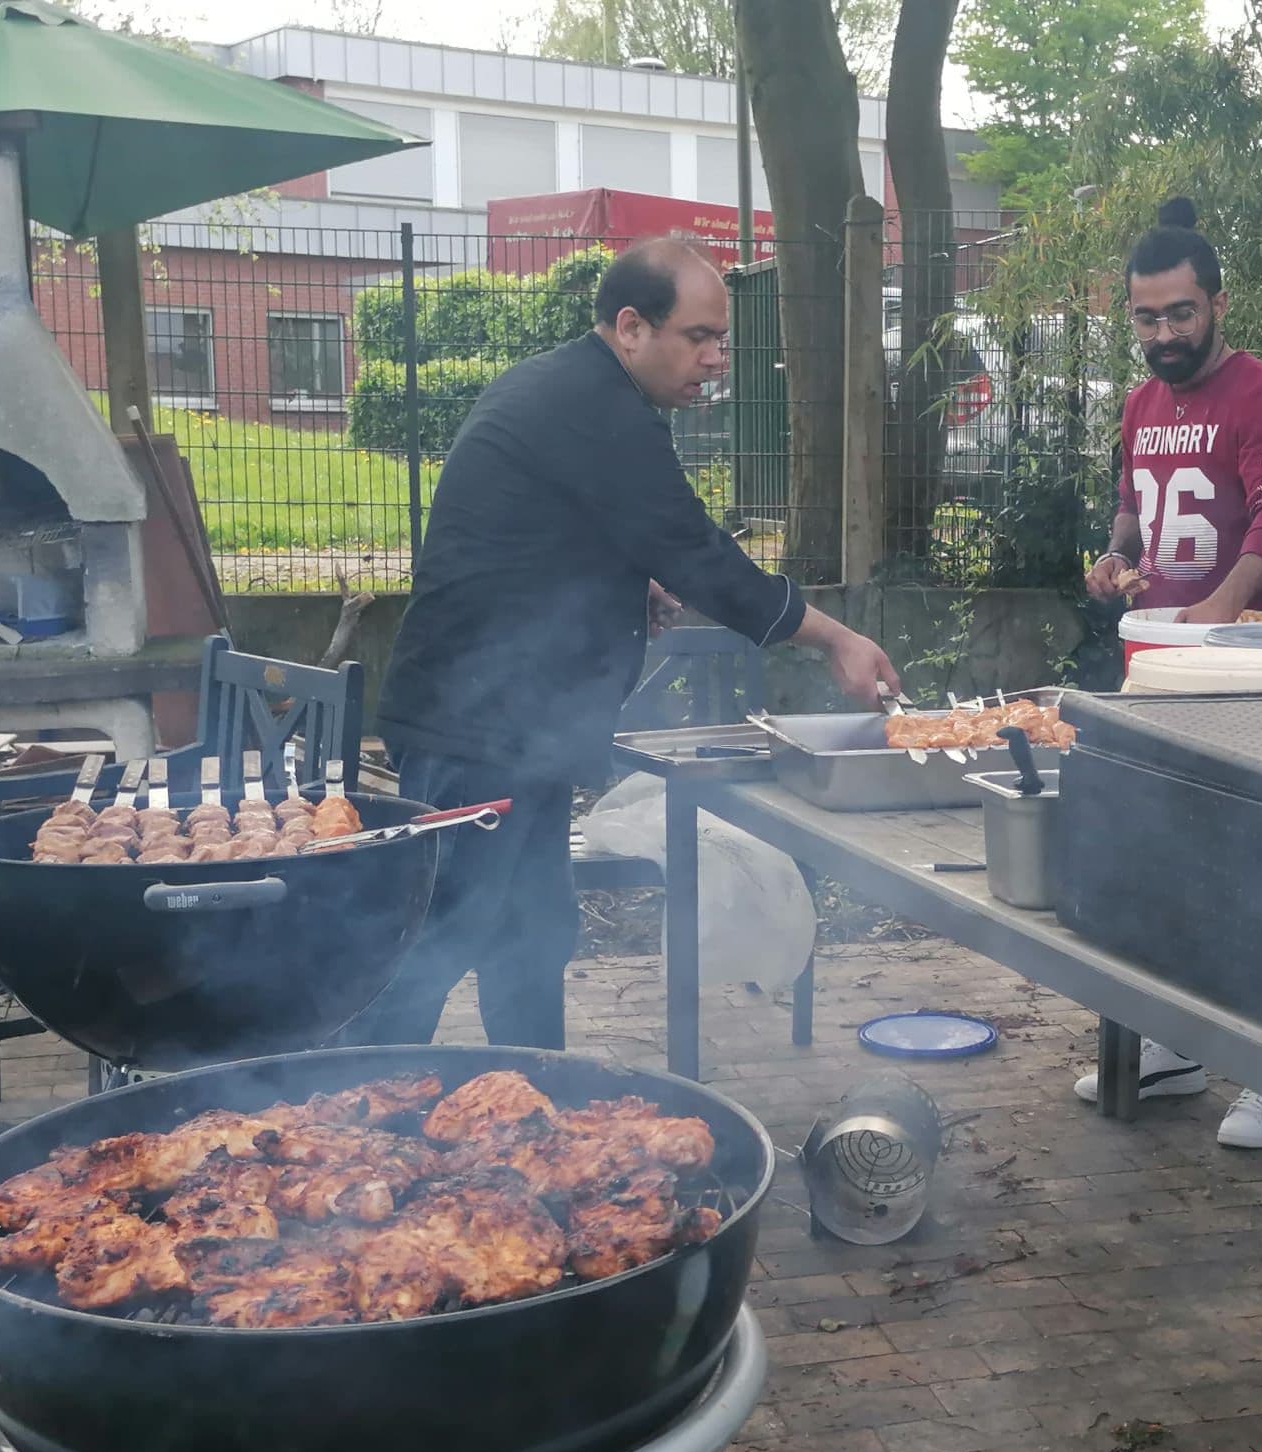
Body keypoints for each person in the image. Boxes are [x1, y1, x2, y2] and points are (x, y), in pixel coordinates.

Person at [342, 238, 900, 1052]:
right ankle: (351, 1103)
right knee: (439, 937)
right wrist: (833, 637)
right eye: (698, 337)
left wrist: (619, 584)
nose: (715, 359)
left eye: (722, 341)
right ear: (632, 327)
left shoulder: (572, 388)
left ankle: (536, 1093)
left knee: (532, 937)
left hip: (511, 729)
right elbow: (698, 554)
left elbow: (526, 538)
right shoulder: (599, 410)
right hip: (477, 731)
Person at [1074, 197, 1262, 1150]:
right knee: (1164, 861)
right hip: (1155, 669)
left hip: (1247, 671)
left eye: (1180, 313)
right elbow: (1133, 507)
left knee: (1260, 869)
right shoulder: (1140, 404)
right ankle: (1173, 1047)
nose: (1164, 334)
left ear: (1217, 302)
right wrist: (1114, 559)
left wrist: (1221, 609)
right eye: (1146, 318)